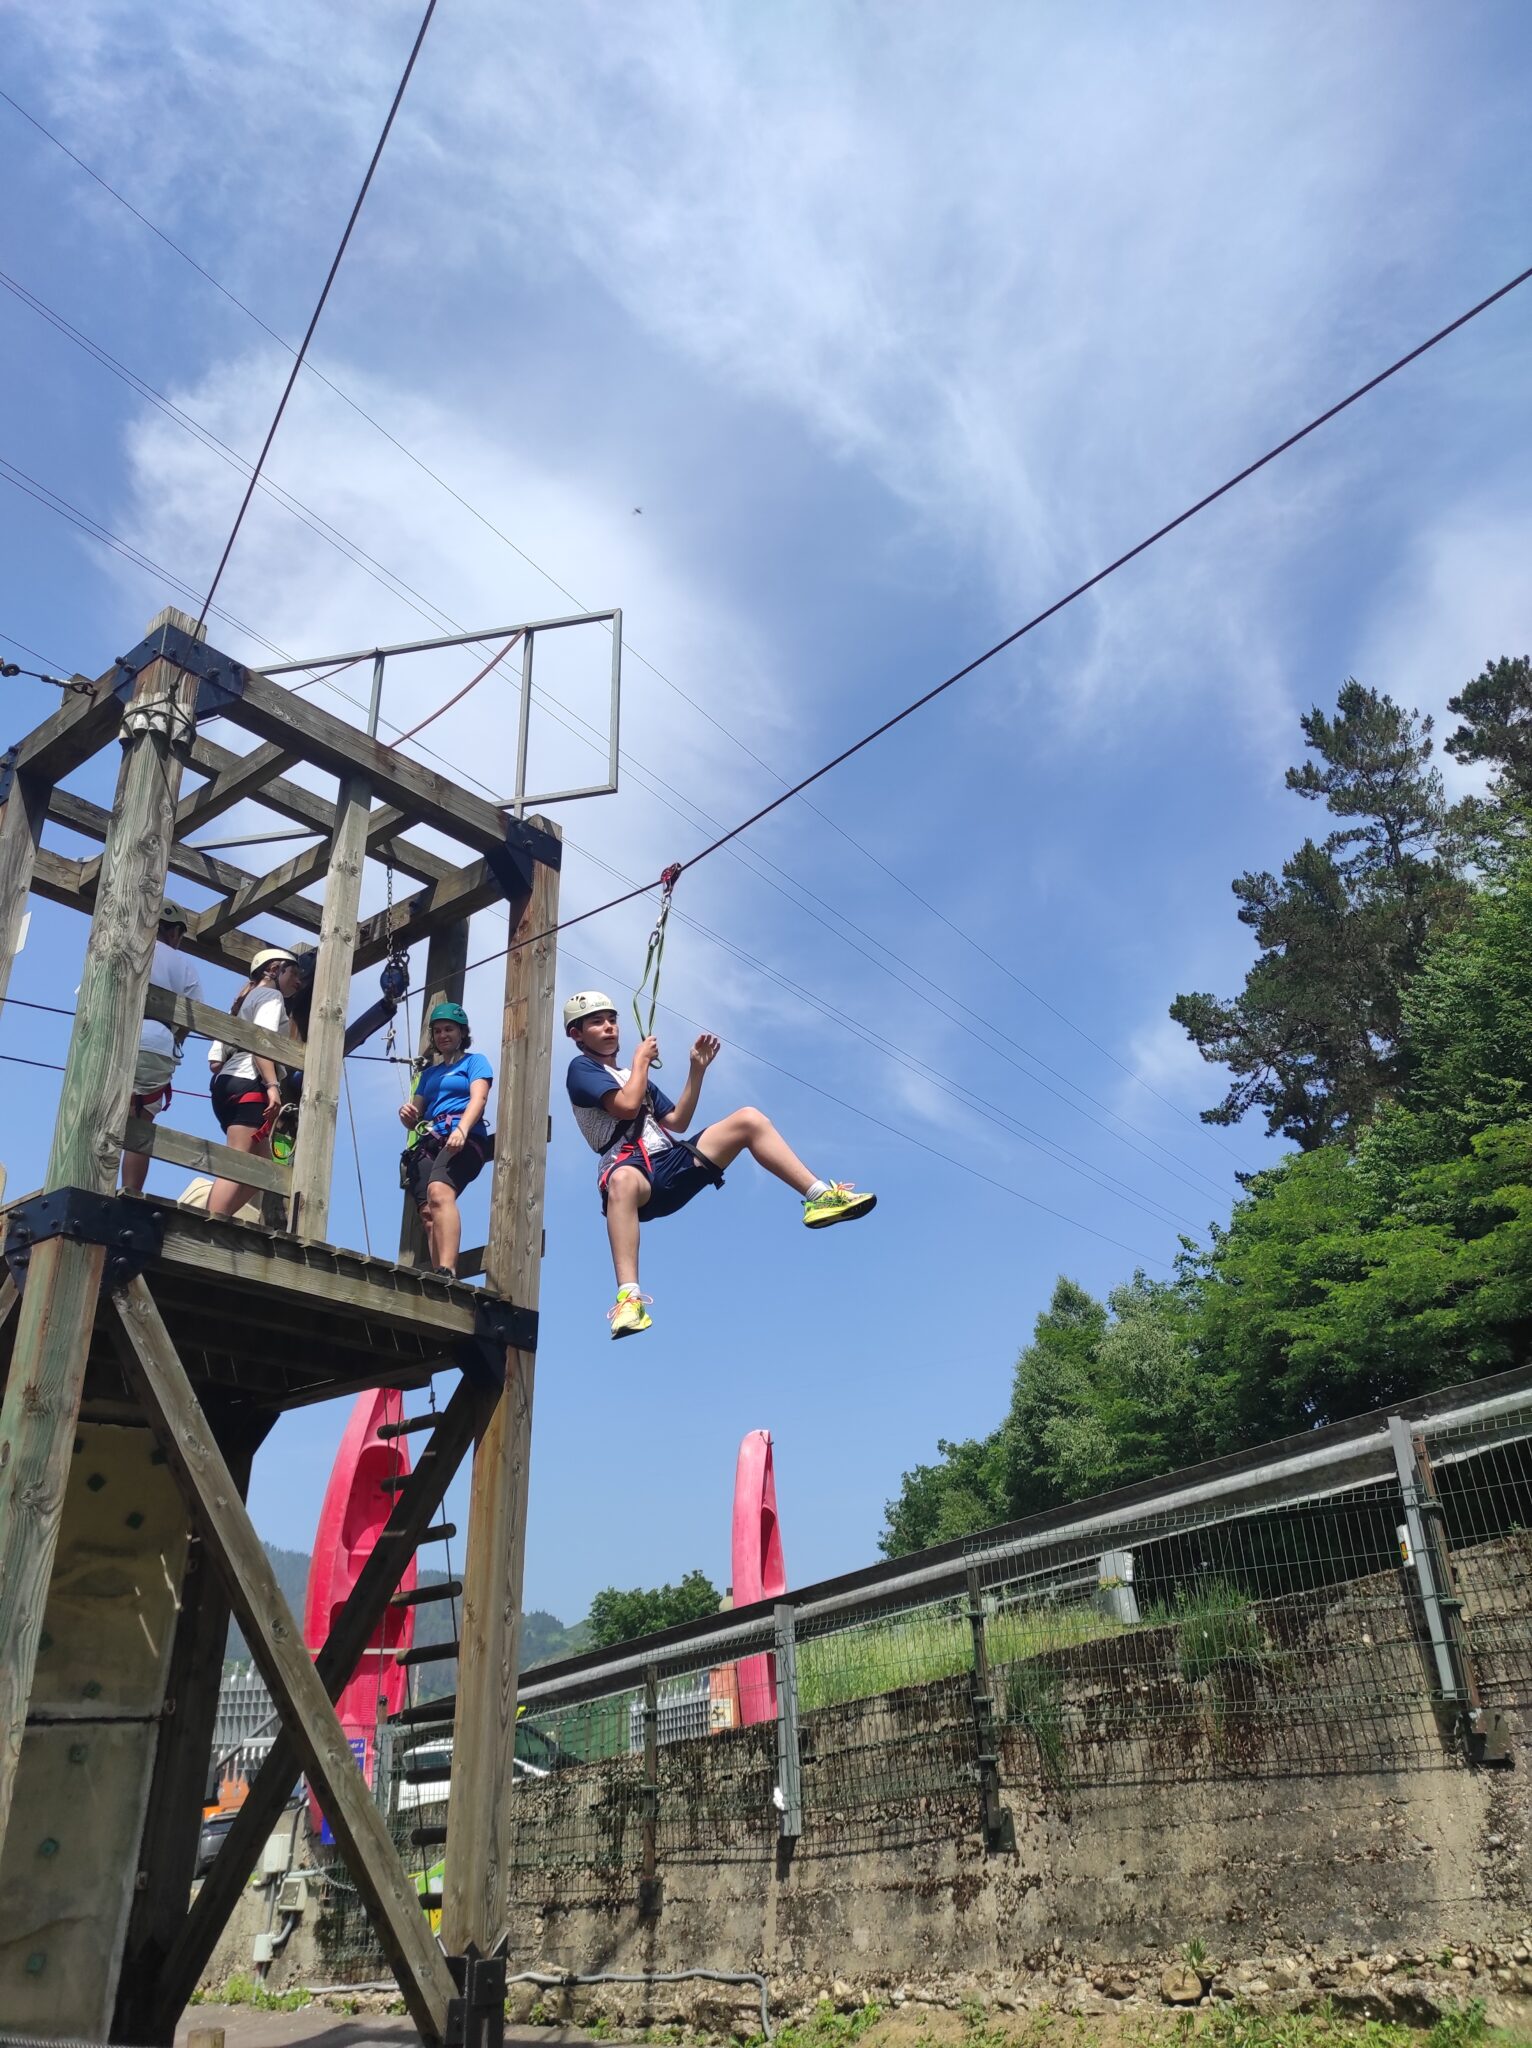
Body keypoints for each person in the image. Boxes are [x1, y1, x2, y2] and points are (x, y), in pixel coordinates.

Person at [563, 990, 877, 1339]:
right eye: (596, 1023)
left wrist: (696, 1071)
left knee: (749, 1119)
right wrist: (640, 1061)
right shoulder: (582, 1069)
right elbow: (624, 1107)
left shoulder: (635, 1077)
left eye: (611, 1020)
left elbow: (678, 1121)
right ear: (577, 1034)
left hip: (668, 1162)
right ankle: (629, 1300)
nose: (608, 1028)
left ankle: (819, 1196)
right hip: (631, 1173)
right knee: (621, 1181)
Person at [398, 1002, 493, 1279]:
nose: (443, 1035)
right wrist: (407, 1114)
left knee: (439, 1193)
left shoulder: (475, 1062)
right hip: (430, 1141)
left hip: (463, 1137)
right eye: (437, 1031)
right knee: (428, 1213)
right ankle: (439, 1274)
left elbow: (480, 1098)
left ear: (462, 1032)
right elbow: (414, 1116)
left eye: (449, 1029)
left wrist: (462, 1129)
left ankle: (448, 1270)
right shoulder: (429, 1074)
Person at [207, 947, 303, 1218]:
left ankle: (218, 1217)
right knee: (239, 1161)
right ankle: (207, 1223)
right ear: (274, 969)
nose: (298, 981)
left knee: (262, 1168)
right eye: (293, 972)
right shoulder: (271, 997)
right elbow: (262, 1043)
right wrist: (273, 1086)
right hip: (250, 1082)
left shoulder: (239, 1004)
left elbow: (215, 1061)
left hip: (226, 1085)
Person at [121, 900, 202, 1193]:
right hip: (159, 1042)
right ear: (177, 933)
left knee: (102, 1110)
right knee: (141, 1122)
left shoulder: (128, 945)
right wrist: (175, 1039)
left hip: (120, 1034)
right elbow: (194, 1018)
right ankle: (130, 1191)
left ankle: (89, 1182)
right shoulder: (184, 965)